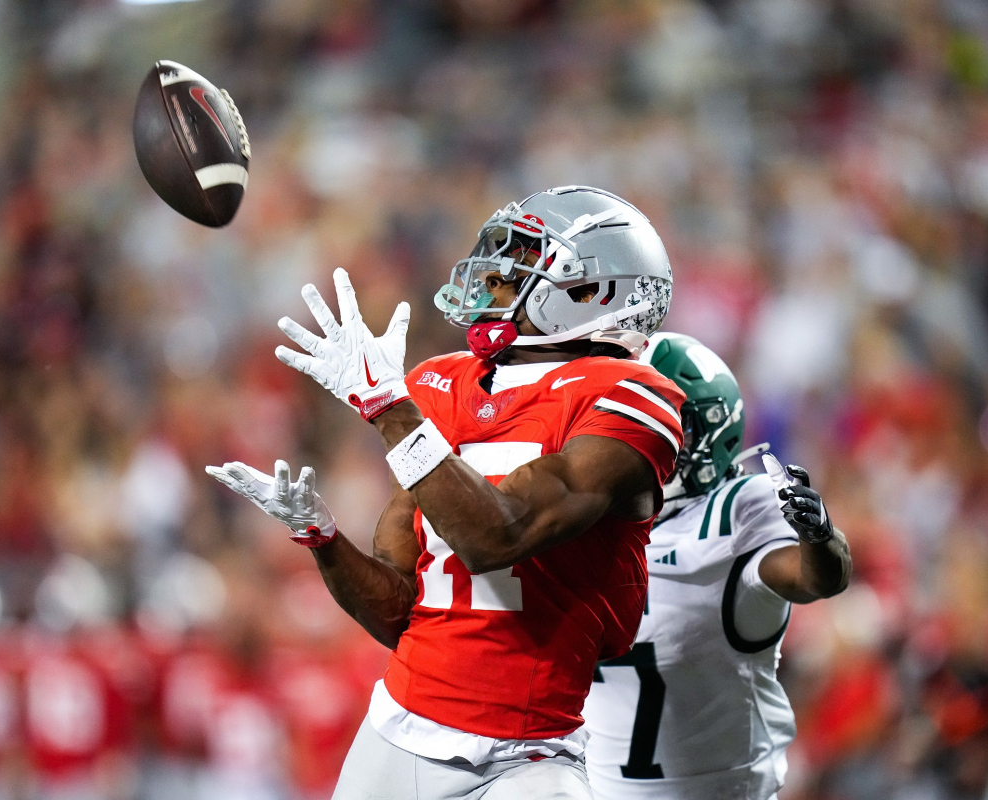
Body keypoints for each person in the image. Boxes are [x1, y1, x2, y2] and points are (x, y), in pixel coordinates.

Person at [207, 186, 684, 799]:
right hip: (398, 727)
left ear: (589, 293)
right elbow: (398, 613)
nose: (493, 286)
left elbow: (498, 534)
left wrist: (390, 411)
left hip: (531, 755)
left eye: (519, 270)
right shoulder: (443, 383)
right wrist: (322, 539)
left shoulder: (630, 395)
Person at [582, 332, 852, 800]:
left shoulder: (737, 509)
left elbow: (815, 577)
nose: (634, 440)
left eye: (661, 422)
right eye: (624, 419)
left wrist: (820, 536)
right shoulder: (583, 516)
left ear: (708, 435)